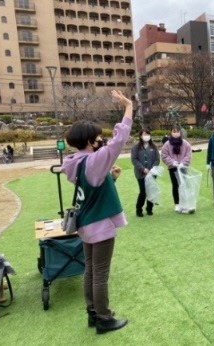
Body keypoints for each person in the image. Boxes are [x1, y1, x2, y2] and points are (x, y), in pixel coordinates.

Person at [61, 90, 131, 334]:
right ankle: (104, 318)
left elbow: (91, 186)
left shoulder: (74, 162)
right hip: (100, 226)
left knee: (90, 271)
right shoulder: (93, 161)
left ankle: (92, 313)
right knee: (100, 274)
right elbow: (119, 141)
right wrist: (128, 107)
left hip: (85, 225)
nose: (101, 141)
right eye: (98, 138)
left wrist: (111, 177)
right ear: (90, 141)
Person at [160, 125, 192, 213]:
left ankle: (185, 203)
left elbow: (188, 154)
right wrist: (172, 162)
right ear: (171, 132)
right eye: (174, 131)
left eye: (177, 131)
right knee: (175, 186)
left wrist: (183, 163)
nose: (176, 133)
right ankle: (177, 203)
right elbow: (164, 155)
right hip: (173, 168)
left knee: (184, 185)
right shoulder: (167, 144)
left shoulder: (185, 143)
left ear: (180, 132)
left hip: (183, 167)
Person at [131, 128, 160, 217]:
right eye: (144, 134)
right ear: (140, 136)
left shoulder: (153, 147)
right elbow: (134, 159)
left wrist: (152, 169)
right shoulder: (136, 147)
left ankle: (149, 208)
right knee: (143, 192)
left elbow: (157, 159)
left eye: (147, 134)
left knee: (150, 191)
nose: (146, 136)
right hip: (141, 173)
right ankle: (139, 209)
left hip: (152, 173)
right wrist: (143, 169)